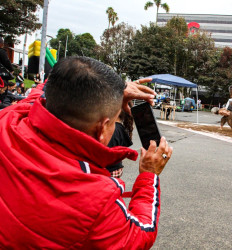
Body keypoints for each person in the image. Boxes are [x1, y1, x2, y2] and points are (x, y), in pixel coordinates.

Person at [0, 56, 173, 248]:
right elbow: (140, 234)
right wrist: (149, 175)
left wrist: (112, 92)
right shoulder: (96, 198)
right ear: (102, 129)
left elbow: (43, 91)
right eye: (116, 119)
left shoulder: (8, 118)